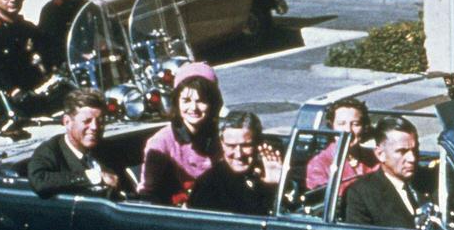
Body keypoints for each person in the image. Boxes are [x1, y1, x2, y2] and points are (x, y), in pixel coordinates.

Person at [138, 61, 223, 205]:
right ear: (177, 102)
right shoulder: (161, 143)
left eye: (201, 101)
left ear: (213, 103)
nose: (193, 108)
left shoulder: (223, 135)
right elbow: (147, 194)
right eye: (186, 100)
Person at [28, 88, 125, 197]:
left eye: (100, 121)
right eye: (86, 121)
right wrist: (94, 177)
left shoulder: (108, 149)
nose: (95, 127)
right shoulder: (51, 151)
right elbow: (39, 181)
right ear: (67, 122)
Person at [188, 112, 283, 216]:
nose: (239, 154)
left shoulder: (269, 172)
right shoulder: (208, 184)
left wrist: (276, 185)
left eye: (246, 145)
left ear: (258, 143)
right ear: (221, 144)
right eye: (231, 146)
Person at [343, 116, 427, 228]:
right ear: (380, 154)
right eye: (402, 151)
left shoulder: (431, 180)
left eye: (415, 150)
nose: (412, 158)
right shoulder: (362, 194)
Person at [305, 96, 378, 191]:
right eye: (341, 124)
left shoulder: (375, 158)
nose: (348, 130)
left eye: (355, 124)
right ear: (332, 127)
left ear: (364, 127)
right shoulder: (319, 164)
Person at [36, 0, 90, 71]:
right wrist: (80, 56)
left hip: (93, 65)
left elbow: (110, 28)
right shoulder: (52, 11)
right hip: (71, 69)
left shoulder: (87, 6)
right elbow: (51, 48)